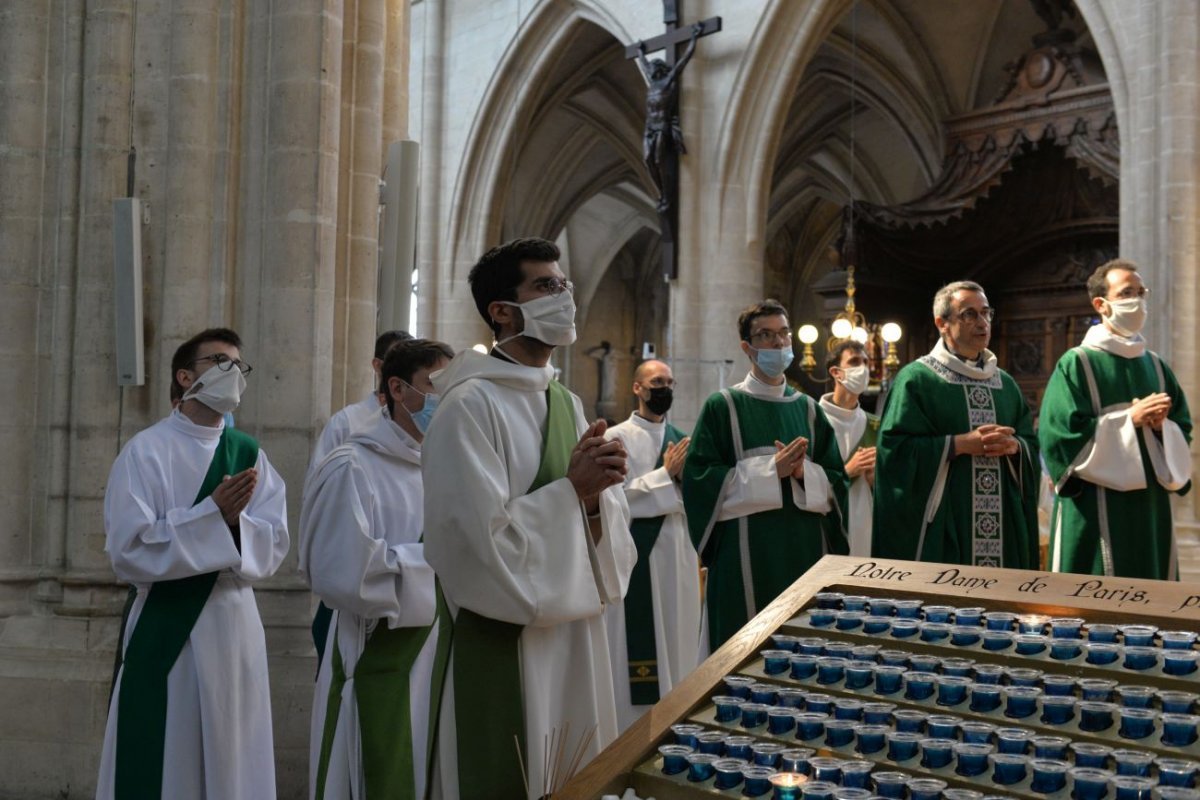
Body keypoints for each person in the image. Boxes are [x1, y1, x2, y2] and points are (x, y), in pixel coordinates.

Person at [422, 238, 634, 800]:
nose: (564, 296)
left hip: (575, 638)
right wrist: (573, 492)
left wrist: (595, 500)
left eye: (563, 284)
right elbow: (472, 547)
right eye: (545, 286)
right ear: (501, 311)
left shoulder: (565, 403)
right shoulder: (468, 406)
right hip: (505, 640)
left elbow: (605, 541)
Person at [97, 328, 289, 800]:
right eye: (220, 362)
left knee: (234, 756)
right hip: (170, 626)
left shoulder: (249, 454)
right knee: (170, 755)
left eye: (238, 366)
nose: (234, 375)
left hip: (232, 621)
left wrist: (232, 527)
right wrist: (212, 517)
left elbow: (275, 539)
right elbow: (128, 547)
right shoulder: (145, 451)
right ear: (185, 377)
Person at [299, 338, 455, 800]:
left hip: (441, 649)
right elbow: (340, 570)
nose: (443, 400)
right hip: (375, 644)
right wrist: (437, 565)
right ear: (398, 389)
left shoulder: (448, 466)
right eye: (435, 386)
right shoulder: (353, 465)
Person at [683, 299, 847, 652]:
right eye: (766, 335)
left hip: (804, 552)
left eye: (784, 334)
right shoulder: (723, 406)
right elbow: (700, 483)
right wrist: (771, 471)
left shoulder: (809, 410)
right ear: (747, 347)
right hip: (743, 557)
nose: (778, 343)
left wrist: (805, 474)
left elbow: (838, 482)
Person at [1039, 259, 1192, 579]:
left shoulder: (1156, 366)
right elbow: (1059, 437)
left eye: (1141, 292)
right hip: (1095, 504)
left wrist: (1163, 427)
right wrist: (1128, 421)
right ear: (1101, 304)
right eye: (1126, 293)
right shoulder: (1076, 363)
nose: (1137, 301)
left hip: (1149, 505)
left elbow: (1183, 426)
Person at [872, 281, 1040, 568]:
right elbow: (894, 452)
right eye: (969, 314)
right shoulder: (918, 379)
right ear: (942, 323)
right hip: (948, 519)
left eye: (986, 313)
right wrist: (958, 445)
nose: (982, 322)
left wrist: (1015, 447)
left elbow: (1030, 443)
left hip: (1002, 523)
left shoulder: (1006, 385)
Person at [603, 359, 700, 731]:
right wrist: (665, 476)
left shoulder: (684, 438)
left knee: (679, 641)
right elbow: (612, 501)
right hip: (636, 559)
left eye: (670, 382)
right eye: (657, 381)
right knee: (641, 648)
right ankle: (633, 731)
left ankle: (678, 725)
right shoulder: (617, 437)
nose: (665, 388)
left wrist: (679, 482)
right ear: (637, 388)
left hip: (679, 555)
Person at [305, 329, 411, 661]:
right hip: (359, 587)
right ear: (379, 366)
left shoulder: (428, 431)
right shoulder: (347, 423)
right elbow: (321, 494)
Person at [819, 340, 879, 556]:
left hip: (867, 530)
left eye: (865, 362)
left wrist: (876, 481)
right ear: (836, 372)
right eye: (854, 362)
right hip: (825, 531)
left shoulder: (877, 426)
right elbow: (802, 484)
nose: (862, 368)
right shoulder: (813, 420)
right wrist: (846, 473)